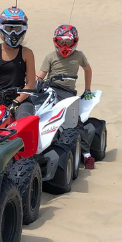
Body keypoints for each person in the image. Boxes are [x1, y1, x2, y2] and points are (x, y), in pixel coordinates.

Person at [36, 24, 96, 169]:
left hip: (68, 93)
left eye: (68, 42)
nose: (65, 45)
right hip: (49, 89)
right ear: (56, 41)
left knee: (76, 121)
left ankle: (87, 155)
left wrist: (87, 89)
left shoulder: (79, 55)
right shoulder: (50, 56)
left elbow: (87, 70)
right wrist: (34, 84)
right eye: (62, 42)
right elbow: (41, 75)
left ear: (74, 41)